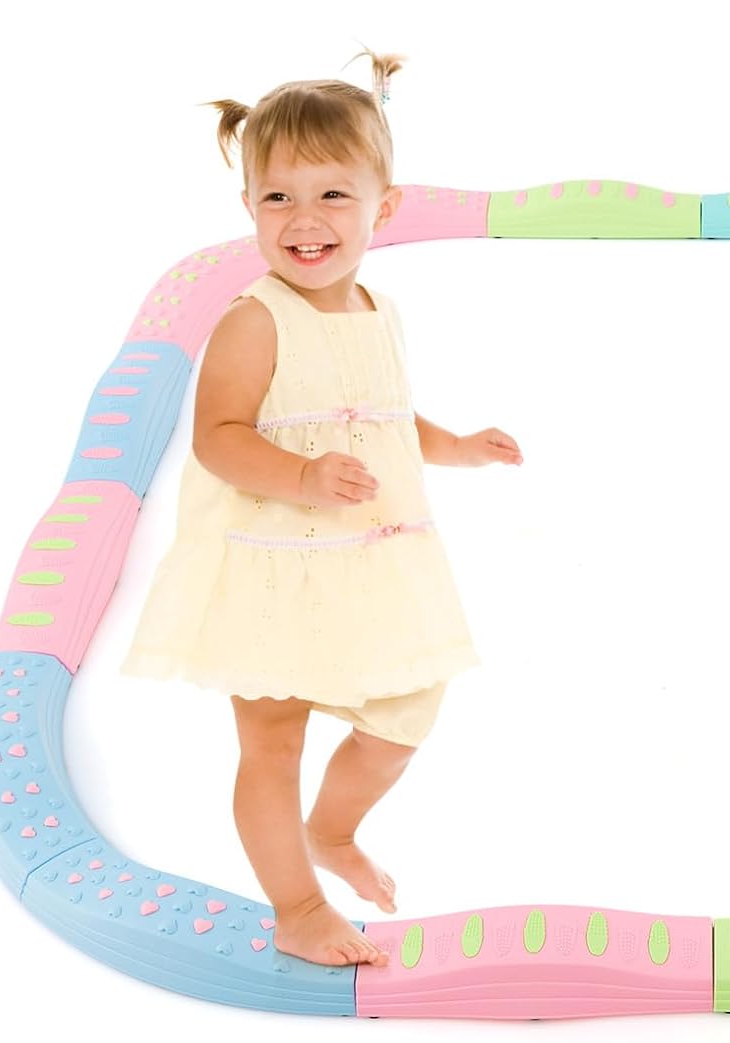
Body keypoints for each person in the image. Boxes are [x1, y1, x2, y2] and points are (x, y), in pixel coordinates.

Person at [125, 52, 522, 967]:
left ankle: (333, 829)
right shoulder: (253, 319)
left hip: (365, 561)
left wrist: (457, 445)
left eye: (334, 195)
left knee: (407, 708)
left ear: (385, 206)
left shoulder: (380, 309)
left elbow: (383, 415)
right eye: (279, 198)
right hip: (271, 562)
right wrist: (301, 476)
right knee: (272, 741)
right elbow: (218, 436)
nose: (305, 219)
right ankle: (297, 905)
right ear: (249, 207)